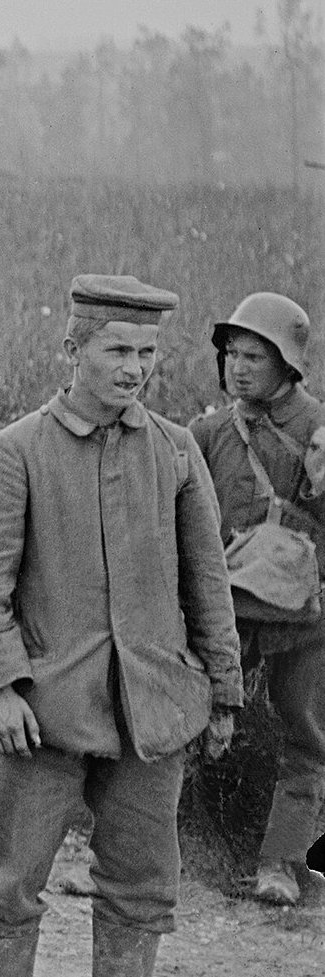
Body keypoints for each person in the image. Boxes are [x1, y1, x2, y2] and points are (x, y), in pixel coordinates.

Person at [0, 274, 243, 977]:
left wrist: (222, 690)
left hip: (154, 714)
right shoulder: (15, 451)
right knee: (9, 887)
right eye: (116, 349)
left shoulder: (174, 451)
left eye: (147, 351)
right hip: (44, 712)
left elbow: (208, 583)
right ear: (71, 349)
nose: (134, 368)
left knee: (142, 892)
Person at [188, 292, 325, 906]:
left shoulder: (320, 430)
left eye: (254, 356)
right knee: (183, 710)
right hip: (228, 605)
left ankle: (282, 863)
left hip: (306, 610)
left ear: (288, 364)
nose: (237, 368)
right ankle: (136, 849)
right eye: (231, 355)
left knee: (305, 729)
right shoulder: (209, 432)